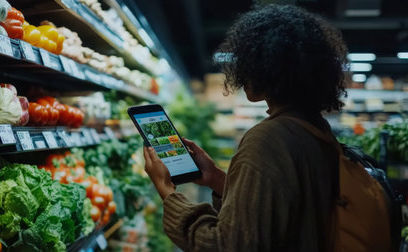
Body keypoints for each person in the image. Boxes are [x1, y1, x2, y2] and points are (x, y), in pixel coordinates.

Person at [143, 4, 349, 251]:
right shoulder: (315, 130)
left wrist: (167, 191)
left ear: (266, 67)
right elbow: (279, 210)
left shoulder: (268, 139)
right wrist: (218, 179)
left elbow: (224, 245)